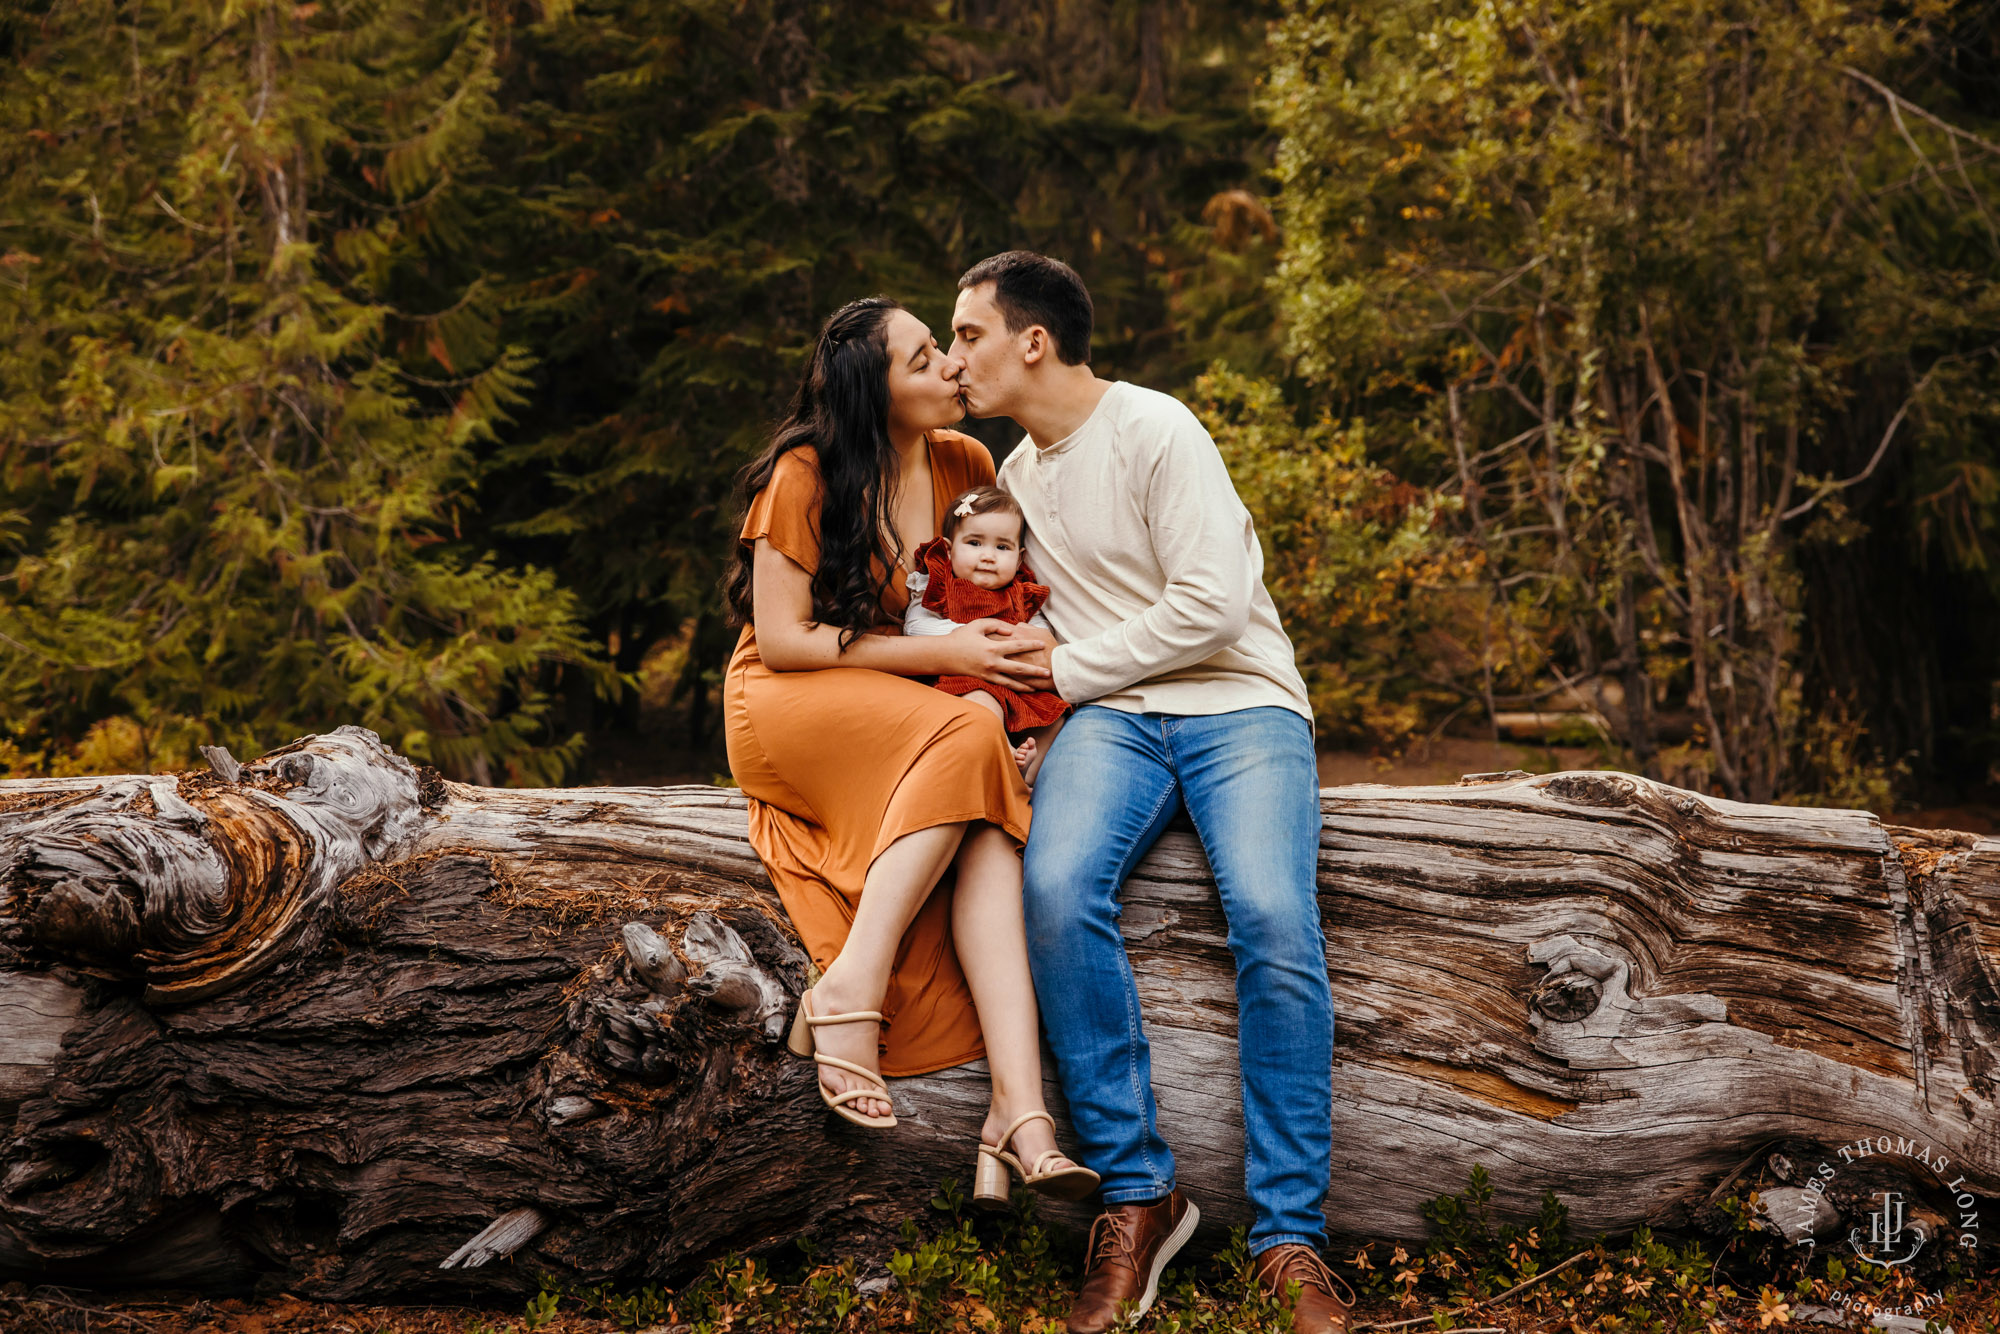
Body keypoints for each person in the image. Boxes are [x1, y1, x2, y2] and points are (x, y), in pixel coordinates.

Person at [949, 253, 1354, 1334]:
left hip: (1239, 703)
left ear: (1031, 340)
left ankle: (1286, 1239)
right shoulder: (1014, 479)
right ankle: (1136, 1192)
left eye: (967, 335)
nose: (954, 359)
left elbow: (1214, 606)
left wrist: (1067, 669)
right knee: (1056, 887)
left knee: (1272, 914)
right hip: (1114, 724)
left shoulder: (1156, 427)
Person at [721, 295, 1096, 1206]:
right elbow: (784, 640)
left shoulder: (965, 462)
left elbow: (1017, 610)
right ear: (871, 390)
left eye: (948, 349)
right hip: (793, 700)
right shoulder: (805, 475)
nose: (952, 368)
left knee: (992, 821)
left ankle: (1019, 1111)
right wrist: (951, 660)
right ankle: (852, 991)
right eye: (925, 358)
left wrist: (1035, 719)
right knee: (971, 732)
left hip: (920, 701)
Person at [901, 485, 1070, 783]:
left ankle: (1028, 778)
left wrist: (1030, 645)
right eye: (975, 543)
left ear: (1019, 560)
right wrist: (968, 638)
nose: (988, 556)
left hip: (1013, 685)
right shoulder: (941, 584)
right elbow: (915, 627)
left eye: (1001, 547)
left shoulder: (1022, 592)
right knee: (982, 706)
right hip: (961, 681)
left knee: (1055, 718)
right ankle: (1004, 757)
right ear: (950, 550)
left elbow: (1038, 634)